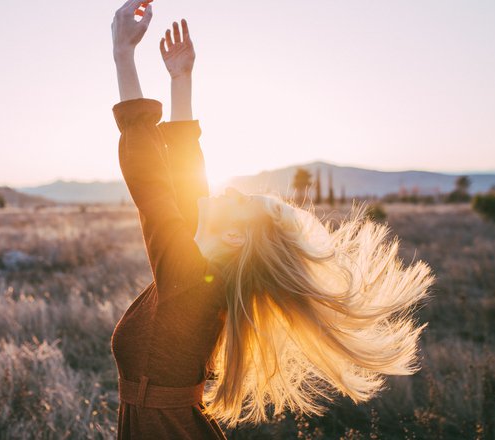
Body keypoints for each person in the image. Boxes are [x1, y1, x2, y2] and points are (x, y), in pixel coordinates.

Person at [110, 1, 434, 439]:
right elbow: (186, 187)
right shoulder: (201, 274)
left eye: (240, 202)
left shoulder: (190, 280)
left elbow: (150, 184)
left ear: (233, 236)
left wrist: (123, 54)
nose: (227, 192)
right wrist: (181, 80)